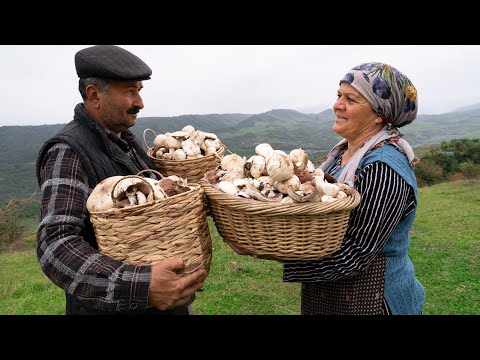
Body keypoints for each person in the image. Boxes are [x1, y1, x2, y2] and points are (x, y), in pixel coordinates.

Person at [228, 62, 425, 315]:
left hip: (374, 301)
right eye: (338, 95)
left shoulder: (384, 169)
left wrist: (274, 253)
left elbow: (355, 253)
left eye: (350, 99)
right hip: (330, 297)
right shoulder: (341, 153)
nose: (337, 105)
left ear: (380, 114)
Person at [36, 45, 206, 315]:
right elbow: (55, 245)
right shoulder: (68, 151)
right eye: (130, 91)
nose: (140, 103)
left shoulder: (128, 143)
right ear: (94, 96)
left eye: (139, 91)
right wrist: (142, 286)